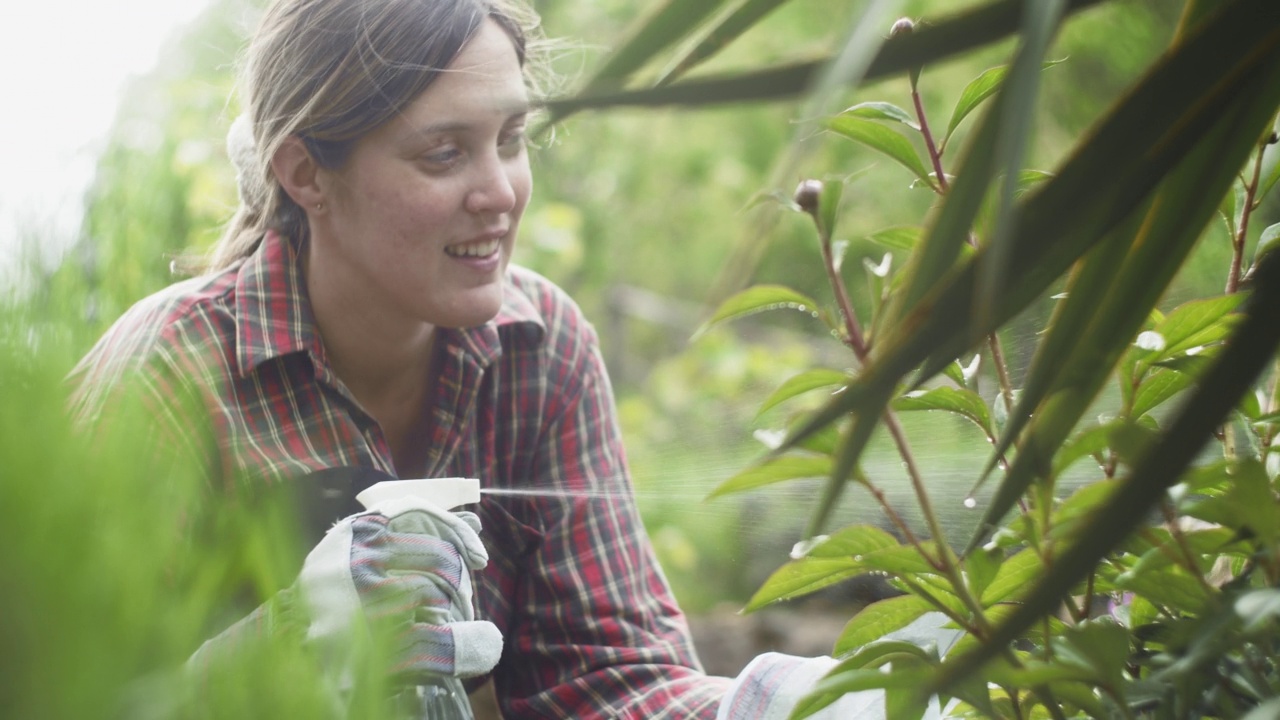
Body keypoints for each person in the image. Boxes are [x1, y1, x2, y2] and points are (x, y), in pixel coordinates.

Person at [68, 0, 954, 717]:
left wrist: (773, 710)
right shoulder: (177, 376)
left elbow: (608, 681)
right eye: (443, 153)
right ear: (304, 173)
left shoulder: (543, 351)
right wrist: (285, 648)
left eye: (512, 140)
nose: (499, 193)